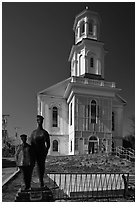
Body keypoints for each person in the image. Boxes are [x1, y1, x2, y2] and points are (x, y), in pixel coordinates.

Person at [29, 115, 50, 188]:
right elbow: (31, 143)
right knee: (32, 166)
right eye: (38, 120)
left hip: (42, 152)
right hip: (35, 152)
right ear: (37, 121)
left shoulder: (45, 133)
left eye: (41, 120)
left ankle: (41, 181)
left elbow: (48, 143)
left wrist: (46, 151)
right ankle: (29, 183)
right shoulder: (33, 133)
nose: (39, 121)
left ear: (42, 121)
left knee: (41, 166)